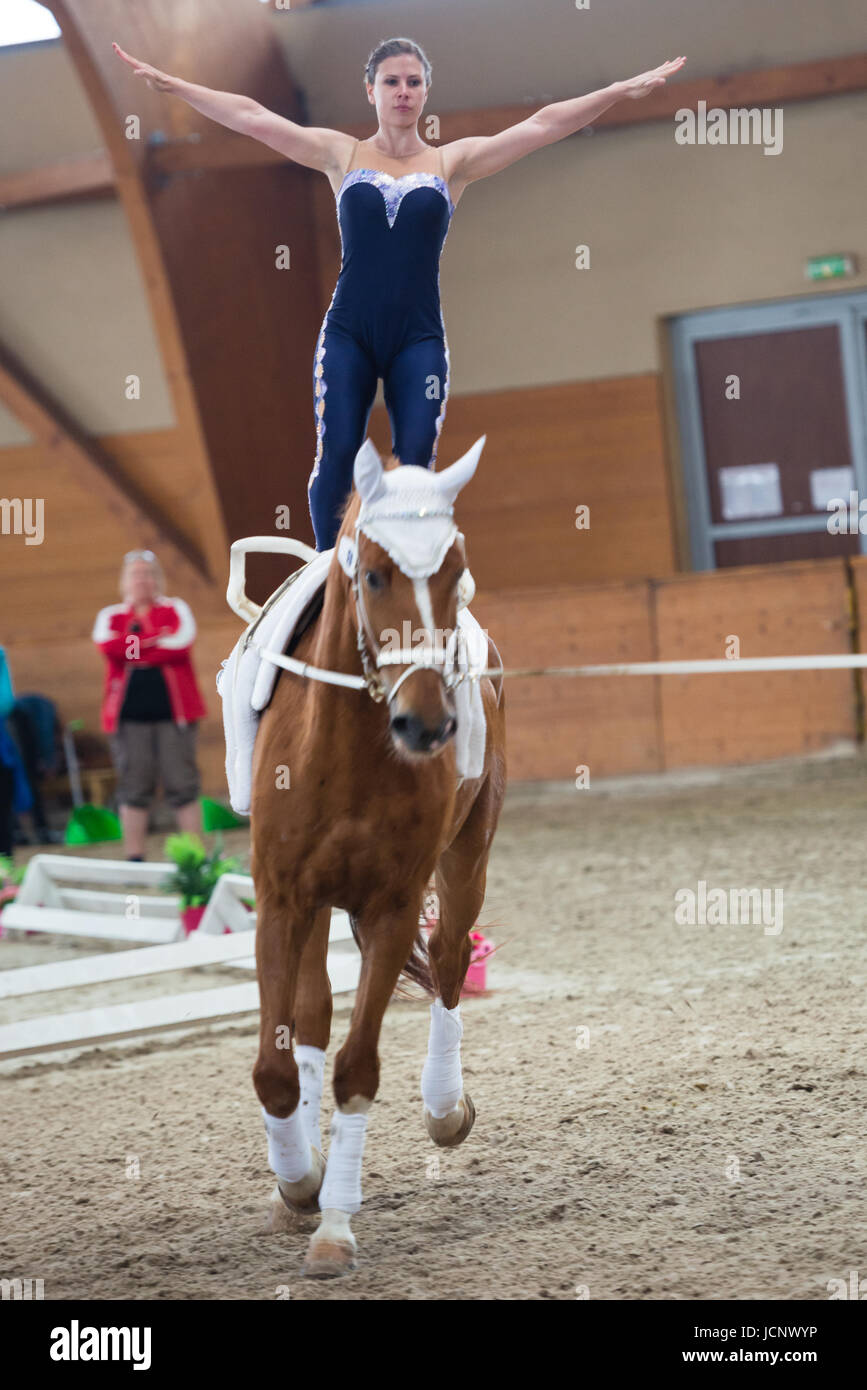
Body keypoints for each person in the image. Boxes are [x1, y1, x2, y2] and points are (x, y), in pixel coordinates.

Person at [112, 37, 686, 550]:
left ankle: (405, 575)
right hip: (348, 334)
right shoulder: (342, 154)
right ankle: (327, 575)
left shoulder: (451, 163)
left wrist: (615, 91)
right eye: (392, 81)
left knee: (415, 467)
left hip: (418, 340)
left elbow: (542, 125)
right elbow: (253, 116)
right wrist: (176, 86)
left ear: (426, 91)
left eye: (414, 82)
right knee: (337, 454)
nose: (404, 91)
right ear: (372, 91)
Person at [92, 550, 207, 861]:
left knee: (182, 783)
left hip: (175, 714)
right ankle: (135, 859)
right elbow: (111, 648)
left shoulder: (176, 609)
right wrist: (156, 640)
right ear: (124, 580)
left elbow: (180, 645)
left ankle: (195, 859)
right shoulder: (110, 616)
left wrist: (135, 644)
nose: (141, 579)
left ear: (157, 579)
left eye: (147, 573)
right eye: (135, 573)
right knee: (133, 784)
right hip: (128, 718)